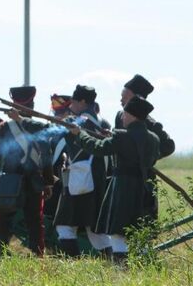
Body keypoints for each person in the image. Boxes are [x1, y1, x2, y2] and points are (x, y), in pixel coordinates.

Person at [68, 95, 160, 262]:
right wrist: (113, 138)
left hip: (123, 189)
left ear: (131, 115)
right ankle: (145, 268)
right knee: (142, 231)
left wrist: (79, 134)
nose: (122, 117)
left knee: (118, 233)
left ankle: (121, 269)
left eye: (124, 114)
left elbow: (97, 148)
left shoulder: (121, 136)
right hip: (145, 189)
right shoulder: (154, 139)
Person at [0, 86, 54, 256]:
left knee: (3, 221)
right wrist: (48, 182)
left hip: (10, 180)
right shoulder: (41, 127)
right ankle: (37, 255)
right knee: (34, 222)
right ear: (32, 104)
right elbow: (46, 158)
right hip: (33, 180)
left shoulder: (5, 127)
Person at [52, 85, 111, 257]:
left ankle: (74, 264)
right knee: (95, 232)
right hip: (94, 179)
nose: (71, 106)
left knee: (65, 227)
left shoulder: (79, 122)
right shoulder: (99, 122)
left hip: (81, 180)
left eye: (74, 102)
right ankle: (117, 263)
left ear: (83, 102)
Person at [115, 74, 175, 219]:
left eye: (125, 96)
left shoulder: (150, 124)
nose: (121, 100)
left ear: (137, 99)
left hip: (142, 182)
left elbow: (169, 146)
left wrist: (146, 156)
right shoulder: (119, 117)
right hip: (122, 180)